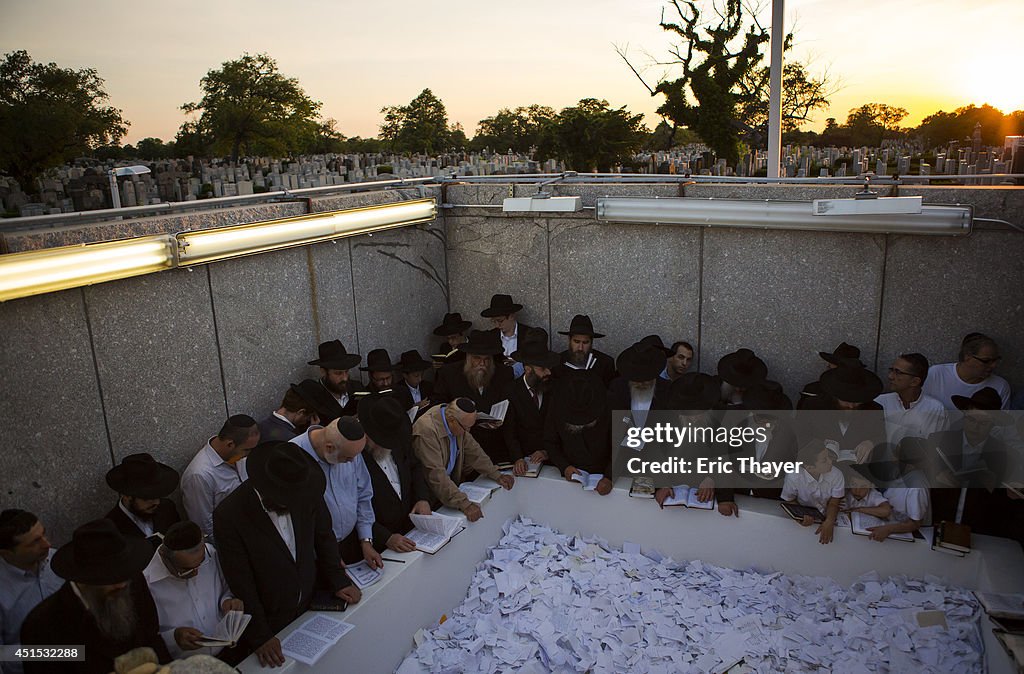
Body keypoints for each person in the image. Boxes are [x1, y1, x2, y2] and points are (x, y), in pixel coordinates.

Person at [213, 442, 357, 668]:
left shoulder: (304, 488)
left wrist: (338, 579)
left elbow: (323, 536)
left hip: (309, 604)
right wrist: (259, 634)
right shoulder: (229, 515)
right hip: (271, 618)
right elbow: (240, 579)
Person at [20, 519, 171, 674]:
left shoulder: (131, 581)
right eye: (108, 578)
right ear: (82, 578)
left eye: (123, 575)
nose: (120, 585)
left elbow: (151, 636)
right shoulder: (39, 628)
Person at [143, 521, 242, 661]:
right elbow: (146, 638)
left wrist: (227, 601)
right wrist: (174, 637)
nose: (195, 573)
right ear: (165, 557)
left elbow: (226, 588)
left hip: (228, 652)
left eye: (200, 565)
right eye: (186, 570)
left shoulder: (210, 554)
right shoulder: (147, 584)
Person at [290, 417, 380, 568]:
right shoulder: (293, 456)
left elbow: (363, 494)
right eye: (347, 458)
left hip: (351, 542)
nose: (352, 461)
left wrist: (366, 540)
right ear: (329, 448)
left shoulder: (350, 452)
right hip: (317, 555)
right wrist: (328, 555)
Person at [412, 398, 514, 522]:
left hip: (449, 488)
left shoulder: (458, 422)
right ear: (451, 420)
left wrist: (496, 474)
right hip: (430, 494)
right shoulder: (426, 431)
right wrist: (464, 504)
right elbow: (436, 474)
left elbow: (474, 451)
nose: (468, 432)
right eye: (465, 428)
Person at [358, 395, 433, 554]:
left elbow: (415, 467)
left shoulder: (397, 441)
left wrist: (422, 498)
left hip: (411, 532)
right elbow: (355, 508)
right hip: (379, 546)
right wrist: (385, 537)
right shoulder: (353, 457)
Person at [433, 329, 515, 464]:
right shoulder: (449, 374)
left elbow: (511, 408)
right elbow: (438, 405)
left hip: (497, 447)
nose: (482, 364)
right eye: (477, 358)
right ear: (468, 357)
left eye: (487, 359)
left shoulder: (504, 373)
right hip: (464, 447)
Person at [0, 510, 62, 674]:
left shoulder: (59, 563)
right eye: (34, 542)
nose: (47, 544)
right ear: (6, 553)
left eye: (44, 534)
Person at [181, 415, 260, 539]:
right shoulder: (199, 475)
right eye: (246, 450)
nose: (248, 455)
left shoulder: (237, 456)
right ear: (230, 444)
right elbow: (205, 527)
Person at [544, 372, 614, 496]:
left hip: (603, 472)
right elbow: (551, 441)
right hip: (571, 472)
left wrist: (609, 476)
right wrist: (564, 466)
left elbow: (620, 444)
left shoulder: (609, 404)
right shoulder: (556, 404)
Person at [503, 338, 559, 475]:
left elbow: (559, 425)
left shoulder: (554, 388)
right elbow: (509, 431)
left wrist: (547, 451)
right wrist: (518, 458)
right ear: (528, 369)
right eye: (542, 368)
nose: (548, 373)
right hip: (525, 462)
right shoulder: (511, 391)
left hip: (553, 460)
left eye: (549, 368)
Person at [104, 453, 182, 549]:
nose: (156, 502)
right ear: (126, 496)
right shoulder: (112, 529)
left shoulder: (167, 508)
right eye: (147, 498)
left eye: (158, 495)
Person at [922, 332, 1011, 410]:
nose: (993, 365)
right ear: (967, 357)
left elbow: (1000, 424)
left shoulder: (1000, 386)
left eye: (996, 360)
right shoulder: (936, 374)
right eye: (986, 361)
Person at [874, 353, 947, 446]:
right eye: (891, 370)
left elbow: (932, 449)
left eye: (898, 372)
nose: (890, 376)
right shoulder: (879, 402)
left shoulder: (935, 409)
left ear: (915, 381)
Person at [781, 440, 845, 544]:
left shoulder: (837, 474)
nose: (830, 461)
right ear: (809, 467)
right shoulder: (793, 476)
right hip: (807, 518)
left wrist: (829, 521)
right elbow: (789, 499)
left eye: (829, 456)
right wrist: (800, 517)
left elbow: (834, 502)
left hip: (828, 514)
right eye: (824, 460)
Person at [607, 341, 671, 421]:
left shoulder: (668, 390)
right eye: (636, 379)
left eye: (646, 379)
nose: (641, 383)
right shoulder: (617, 387)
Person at [308, 339, 365, 420]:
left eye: (346, 371)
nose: (345, 378)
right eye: (338, 373)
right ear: (323, 372)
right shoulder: (314, 397)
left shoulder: (357, 388)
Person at [554, 315, 616, 387]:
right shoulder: (557, 363)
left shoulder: (605, 363)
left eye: (585, 342)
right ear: (569, 340)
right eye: (576, 342)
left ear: (591, 342)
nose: (580, 348)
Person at [480, 294, 533, 378]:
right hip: (497, 380)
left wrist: (519, 363)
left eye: (500, 321)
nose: (497, 325)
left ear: (511, 316)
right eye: (494, 321)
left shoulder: (529, 334)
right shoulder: (490, 336)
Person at [257, 380, 325, 443]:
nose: (307, 421)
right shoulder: (292, 440)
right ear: (301, 412)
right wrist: (311, 434)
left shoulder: (260, 426)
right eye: (309, 417)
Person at [799, 342, 863, 407]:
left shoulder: (862, 395)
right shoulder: (813, 390)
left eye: (834, 370)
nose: (828, 372)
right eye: (829, 367)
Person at [391, 350, 435, 415]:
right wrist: (415, 407)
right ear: (405, 375)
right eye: (416, 376)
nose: (420, 379)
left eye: (422, 374)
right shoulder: (398, 391)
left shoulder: (428, 387)